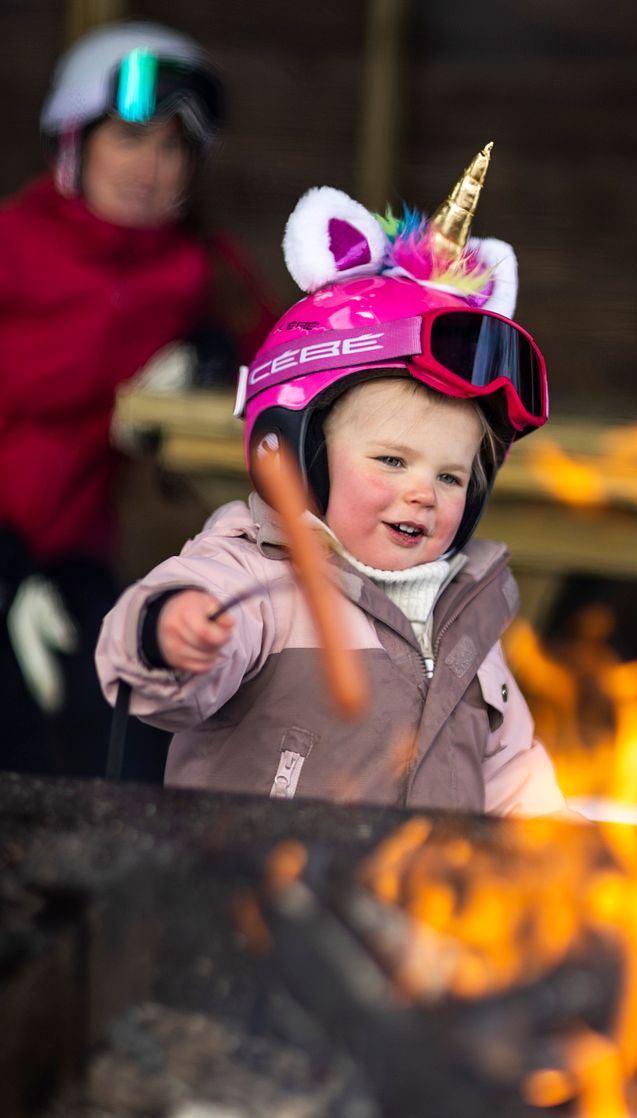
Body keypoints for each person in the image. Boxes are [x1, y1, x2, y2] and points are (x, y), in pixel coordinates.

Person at [96, 146, 566, 815]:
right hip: (252, 904)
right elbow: (160, 663)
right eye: (392, 461)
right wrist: (170, 633)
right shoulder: (258, 580)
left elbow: (516, 778)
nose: (423, 492)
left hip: (414, 915)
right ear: (290, 451)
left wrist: (567, 864)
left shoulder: (466, 617)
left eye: (453, 475)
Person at [0, 21, 276, 779]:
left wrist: (215, 354)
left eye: (172, 145)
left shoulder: (197, 272)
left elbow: (286, 360)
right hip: (9, 552)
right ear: (73, 142)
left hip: (76, 563)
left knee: (129, 731)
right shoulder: (13, 246)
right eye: (127, 137)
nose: (150, 167)